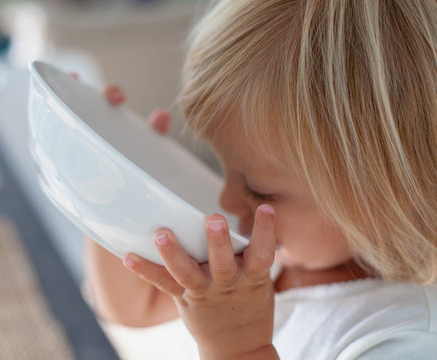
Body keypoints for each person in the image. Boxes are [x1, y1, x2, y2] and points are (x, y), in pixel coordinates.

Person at [78, 0, 437, 359]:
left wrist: (240, 346)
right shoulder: (280, 252)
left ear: (394, 191)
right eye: (225, 168)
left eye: (257, 189)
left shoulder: (401, 337)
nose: (227, 200)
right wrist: (112, 186)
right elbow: (133, 308)